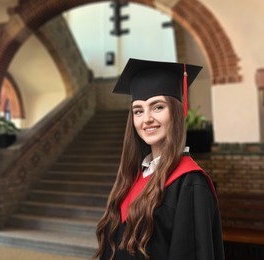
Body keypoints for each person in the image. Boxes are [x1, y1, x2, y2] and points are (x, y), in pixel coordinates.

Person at [94, 59, 224, 260]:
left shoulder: (189, 184)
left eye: (157, 107)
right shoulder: (132, 177)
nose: (146, 119)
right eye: (138, 110)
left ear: (177, 112)